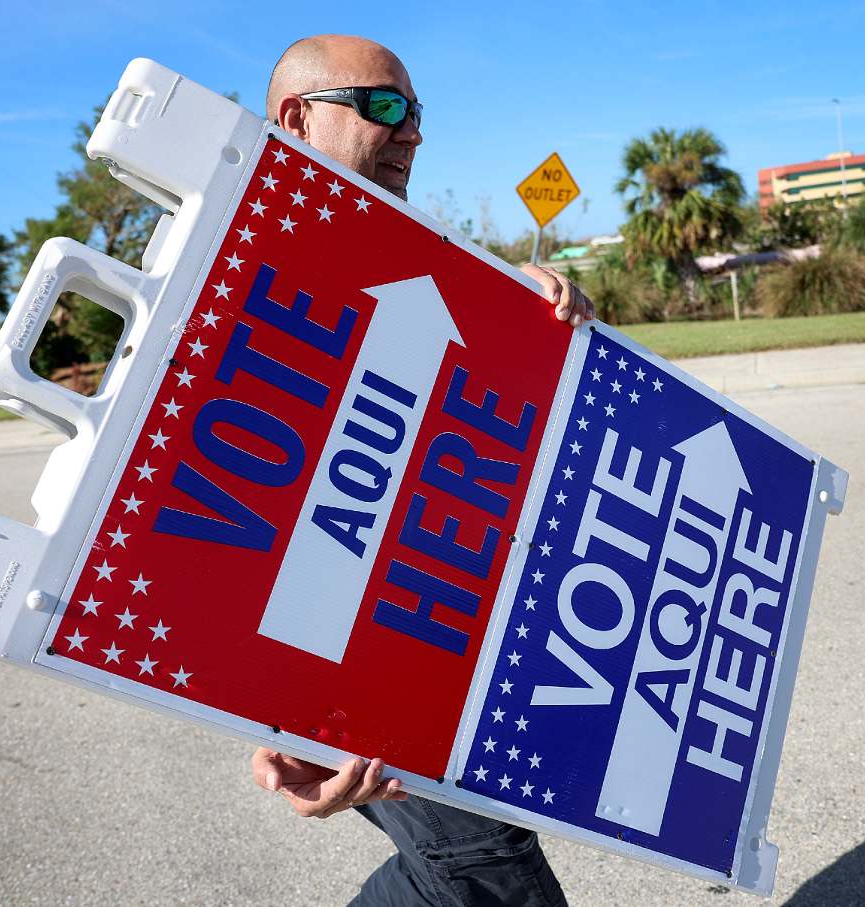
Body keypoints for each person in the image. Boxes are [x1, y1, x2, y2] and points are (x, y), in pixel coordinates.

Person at [250, 34, 588, 906]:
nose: (413, 134)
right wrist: (261, 720)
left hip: (434, 626)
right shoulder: (244, 258)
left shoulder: (408, 242)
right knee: (490, 876)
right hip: (345, 660)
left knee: (468, 874)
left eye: (418, 113)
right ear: (298, 116)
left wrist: (535, 306)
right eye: (387, 108)